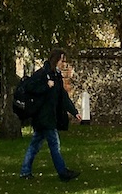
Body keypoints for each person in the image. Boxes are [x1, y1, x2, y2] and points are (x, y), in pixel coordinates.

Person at [18, 50, 80, 181]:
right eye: (62, 60)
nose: (64, 63)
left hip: (48, 117)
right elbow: (29, 87)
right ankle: (63, 173)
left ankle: (25, 171)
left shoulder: (56, 76)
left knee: (35, 145)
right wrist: (46, 86)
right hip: (43, 117)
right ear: (55, 60)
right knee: (54, 145)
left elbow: (63, 97)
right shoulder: (43, 74)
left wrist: (74, 112)